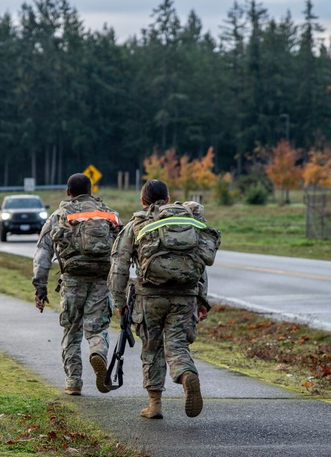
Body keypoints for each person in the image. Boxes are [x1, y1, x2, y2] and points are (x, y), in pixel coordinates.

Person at [108, 179, 220, 419]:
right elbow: (201, 265)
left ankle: (155, 405)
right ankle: (186, 373)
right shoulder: (189, 222)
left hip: (149, 297)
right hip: (185, 295)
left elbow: (119, 266)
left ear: (142, 201)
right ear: (168, 199)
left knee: (151, 348)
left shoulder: (137, 223)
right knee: (177, 343)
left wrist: (120, 303)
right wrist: (202, 300)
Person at [33, 173, 120, 396]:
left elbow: (43, 253)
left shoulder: (59, 215)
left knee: (71, 330)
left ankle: (73, 382)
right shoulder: (108, 214)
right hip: (102, 279)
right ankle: (98, 352)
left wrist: (40, 287)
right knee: (97, 327)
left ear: (68, 192)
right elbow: (123, 249)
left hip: (72, 280)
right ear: (91, 191)